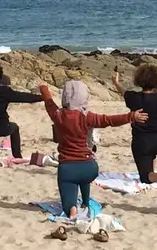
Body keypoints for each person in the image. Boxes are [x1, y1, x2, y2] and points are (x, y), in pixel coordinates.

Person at [41, 80, 144, 220]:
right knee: (84, 179)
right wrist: (131, 116)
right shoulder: (87, 117)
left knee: (68, 196)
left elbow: (49, 102)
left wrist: (43, 88)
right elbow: (109, 120)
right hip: (89, 167)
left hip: (67, 168)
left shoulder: (58, 115)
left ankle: (72, 209)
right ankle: (85, 201)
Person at [0, 62, 41, 163]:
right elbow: (23, 97)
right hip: (2, 126)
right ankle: (17, 156)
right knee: (15, 128)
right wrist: (42, 97)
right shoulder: (4, 91)